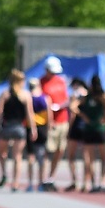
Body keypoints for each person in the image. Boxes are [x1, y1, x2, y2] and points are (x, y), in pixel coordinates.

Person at [0, 70, 36, 191]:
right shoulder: (26, 95)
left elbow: (0, 112)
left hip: (7, 127)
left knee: (2, 153)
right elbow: (30, 114)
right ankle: (16, 182)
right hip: (19, 128)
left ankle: (4, 173)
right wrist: (33, 129)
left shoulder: (5, 94)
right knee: (17, 156)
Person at [39, 56, 70, 190]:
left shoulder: (61, 81)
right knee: (47, 151)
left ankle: (51, 177)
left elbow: (67, 99)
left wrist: (60, 105)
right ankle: (42, 178)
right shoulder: (41, 82)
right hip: (49, 122)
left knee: (60, 149)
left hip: (62, 119)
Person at [79, 74, 105, 192]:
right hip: (99, 128)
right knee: (103, 157)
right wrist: (104, 117)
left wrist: (84, 116)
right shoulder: (102, 96)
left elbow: (73, 106)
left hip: (90, 128)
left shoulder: (88, 97)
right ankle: (102, 181)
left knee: (90, 157)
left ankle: (93, 182)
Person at [63, 77, 88, 191]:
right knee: (86, 155)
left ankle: (75, 181)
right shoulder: (88, 94)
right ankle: (86, 182)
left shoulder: (75, 95)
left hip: (76, 126)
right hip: (86, 126)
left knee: (71, 155)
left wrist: (69, 128)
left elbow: (72, 112)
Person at [25, 77, 49, 192]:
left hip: (30, 127)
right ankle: (41, 182)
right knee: (42, 156)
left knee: (31, 155)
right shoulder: (45, 98)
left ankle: (30, 183)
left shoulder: (27, 98)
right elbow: (49, 115)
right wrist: (49, 128)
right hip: (42, 127)